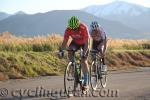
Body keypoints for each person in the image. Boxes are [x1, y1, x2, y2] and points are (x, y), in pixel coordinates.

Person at [59, 16, 90, 92]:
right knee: (69, 51)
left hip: (84, 44)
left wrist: (84, 54)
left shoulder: (83, 27)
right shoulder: (68, 29)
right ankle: (74, 68)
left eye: (75, 28)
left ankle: (86, 81)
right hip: (75, 42)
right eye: (72, 29)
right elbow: (65, 42)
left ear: (78, 25)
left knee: (83, 60)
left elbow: (87, 44)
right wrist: (61, 51)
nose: (74, 30)